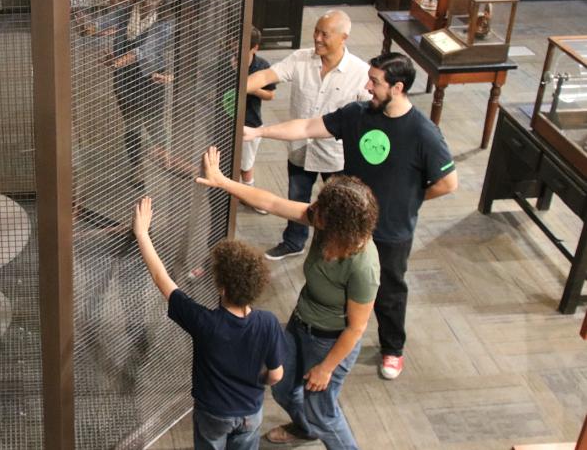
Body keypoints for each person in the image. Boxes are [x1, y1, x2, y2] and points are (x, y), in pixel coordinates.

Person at [244, 52, 459, 381]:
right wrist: (259, 133)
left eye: (375, 82)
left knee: (388, 291)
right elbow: (306, 127)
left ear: (398, 88)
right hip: (344, 225)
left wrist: (411, 200)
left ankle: (392, 348)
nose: (367, 86)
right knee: (327, 279)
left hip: (390, 232)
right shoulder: (357, 114)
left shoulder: (423, 132)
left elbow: (448, 182)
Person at [196, 147, 379, 450]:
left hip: (331, 343)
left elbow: (356, 328)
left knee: (324, 416)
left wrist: (326, 368)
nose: (313, 210)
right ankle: (304, 427)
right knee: (281, 388)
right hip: (300, 325)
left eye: (321, 209)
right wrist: (222, 181)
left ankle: (317, 427)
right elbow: (272, 202)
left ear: (341, 224)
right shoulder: (324, 224)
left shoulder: (363, 265)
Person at [132, 196, 285, 450]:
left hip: (213, 412)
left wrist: (142, 234)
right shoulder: (267, 323)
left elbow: (162, 279)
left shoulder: (204, 323)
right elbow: (276, 375)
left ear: (221, 287)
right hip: (250, 411)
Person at [244, 10, 370, 260]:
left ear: (344, 37)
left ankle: (339, 248)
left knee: (340, 206)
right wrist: (239, 86)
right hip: (300, 148)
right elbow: (266, 76)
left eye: (325, 34)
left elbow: (369, 118)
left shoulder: (360, 73)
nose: (317, 38)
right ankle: (294, 241)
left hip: (336, 156)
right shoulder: (300, 59)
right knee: (296, 196)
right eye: (316, 31)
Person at [103, 0, 174, 183]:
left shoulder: (164, 21)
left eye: (153, 0)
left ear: (161, 2)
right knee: (132, 124)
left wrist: (118, 61)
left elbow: (144, 51)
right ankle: (137, 168)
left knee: (154, 123)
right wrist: (83, 21)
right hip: (125, 80)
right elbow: (99, 26)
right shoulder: (126, 12)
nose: (147, 4)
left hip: (151, 79)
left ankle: (166, 159)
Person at [241, 27, 277, 215]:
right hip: (226, 120)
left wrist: (249, 86)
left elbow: (270, 94)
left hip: (251, 123)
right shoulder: (226, 61)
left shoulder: (262, 66)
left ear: (255, 48)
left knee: (246, 165)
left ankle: (251, 197)